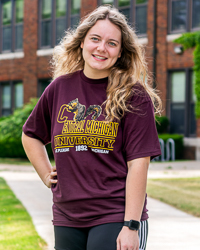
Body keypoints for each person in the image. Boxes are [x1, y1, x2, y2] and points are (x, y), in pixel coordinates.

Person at [22, 5, 161, 250]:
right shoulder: (59, 88)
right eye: (95, 39)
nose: (101, 48)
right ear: (82, 42)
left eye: (111, 43)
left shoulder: (133, 95)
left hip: (114, 214)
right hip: (67, 215)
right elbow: (30, 134)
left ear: (120, 52)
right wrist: (45, 174)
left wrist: (131, 225)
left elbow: (139, 163)